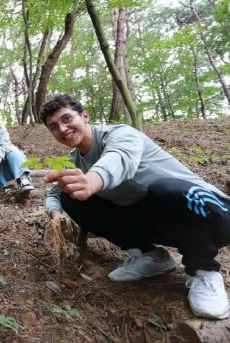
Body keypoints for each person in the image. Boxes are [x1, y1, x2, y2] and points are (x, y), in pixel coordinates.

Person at [40, 94, 230, 320]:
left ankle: (204, 271)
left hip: (211, 215)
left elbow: (119, 158)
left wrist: (92, 180)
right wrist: (55, 213)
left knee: (165, 189)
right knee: (70, 197)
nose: (62, 129)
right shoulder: (72, 160)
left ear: (85, 116)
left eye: (67, 119)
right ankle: (150, 257)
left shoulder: (120, 134)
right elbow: (55, 193)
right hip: (164, 222)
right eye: (54, 126)